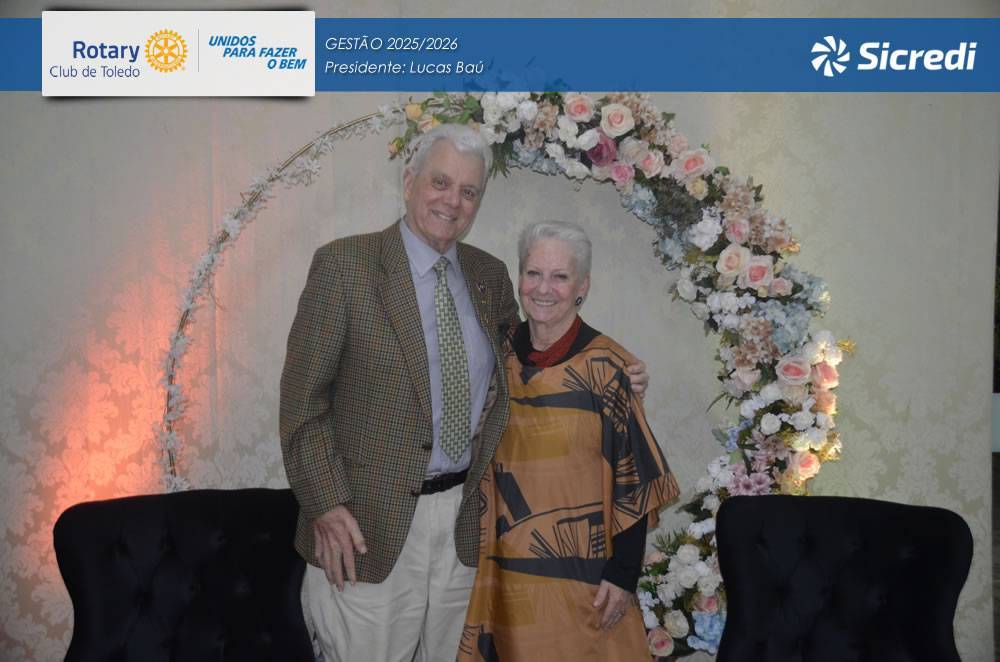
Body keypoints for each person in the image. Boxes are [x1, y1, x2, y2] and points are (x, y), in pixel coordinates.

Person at [279, 125, 649, 662]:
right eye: (440, 182)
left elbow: (532, 356)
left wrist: (615, 371)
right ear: (409, 182)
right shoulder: (345, 266)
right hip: (366, 527)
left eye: (468, 191)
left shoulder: (488, 276)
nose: (452, 201)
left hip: (466, 524)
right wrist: (327, 504)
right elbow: (302, 404)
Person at [457, 221, 680, 661]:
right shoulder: (497, 354)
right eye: (533, 273)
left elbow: (633, 478)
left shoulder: (608, 367)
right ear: (520, 277)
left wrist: (624, 574)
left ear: (583, 286)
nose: (544, 288)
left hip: (586, 581)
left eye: (560, 276)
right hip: (505, 576)